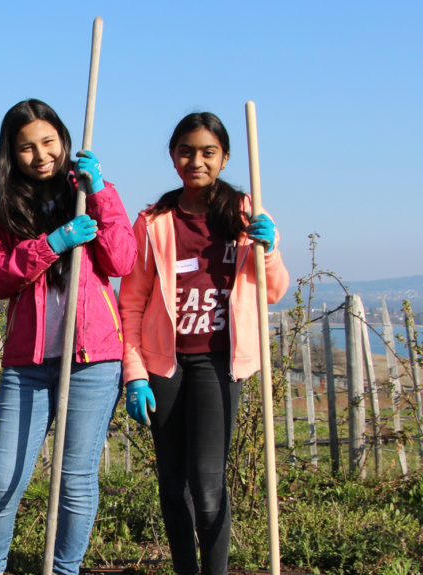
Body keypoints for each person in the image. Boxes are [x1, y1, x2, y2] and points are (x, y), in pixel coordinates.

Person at [118, 112, 289, 575]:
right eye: (186, 151)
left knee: (208, 484)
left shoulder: (245, 213)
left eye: (208, 152)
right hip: (164, 366)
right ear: (173, 156)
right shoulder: (154, 222)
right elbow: (131, 302)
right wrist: (134, 375)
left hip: (219, 364)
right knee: (173, 485)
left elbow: (272, 292)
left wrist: (268, 248)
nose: (197, 160)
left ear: (225, 157)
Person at [0, 99, 136, 575]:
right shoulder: (1, 208)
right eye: (27, 147)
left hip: (94, 359)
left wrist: (100, 193)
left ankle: (65, 570)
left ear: (64, 141)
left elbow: (121, 261)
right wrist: (51, 244)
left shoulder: (91, 193)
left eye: (48, 142)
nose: (40, 154)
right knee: (3, 478)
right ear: (11, 153)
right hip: (28, 362)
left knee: (76, 478)